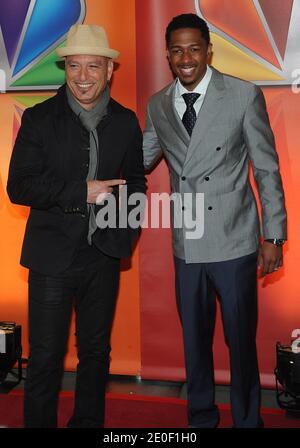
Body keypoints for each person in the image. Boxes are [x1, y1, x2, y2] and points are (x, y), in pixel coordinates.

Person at [143, 13, 287, 428]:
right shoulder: (158, 104)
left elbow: (266, 168)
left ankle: (246, 420)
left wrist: (273, 234)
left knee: (240, 342)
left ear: (208, 50)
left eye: (193, 48)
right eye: (176, 50)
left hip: (234, 240)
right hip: (187, 243)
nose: (185, 57)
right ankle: (201, 417)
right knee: (195, 342)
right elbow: (140, 158)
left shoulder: (242, 95)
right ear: (168, 55)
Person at [7, 24, 146, 428]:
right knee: (46, 356)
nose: (83, 76)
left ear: (109, 70)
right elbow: (19, 186)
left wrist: (126, 232)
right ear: (64, 68)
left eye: (93, 66)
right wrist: (79, 192)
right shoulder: (38, 119)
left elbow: (136, 181)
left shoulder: (125, 121)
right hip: (51, 259)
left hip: (102, 257)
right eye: (74, 66)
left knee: (96, 353)